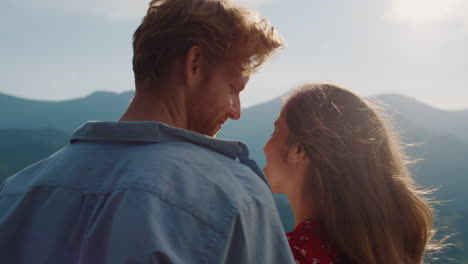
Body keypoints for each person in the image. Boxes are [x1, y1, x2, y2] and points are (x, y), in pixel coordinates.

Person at [0, 0, 294, 263]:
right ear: (195, 63)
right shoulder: (237, 197)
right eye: (233, 89)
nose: (236, 111)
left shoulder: (17, 191)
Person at [263, 83, 437, 264]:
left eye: (275, 132)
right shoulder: (379, 246)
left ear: (299, 150)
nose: (265, 146)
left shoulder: (288, 255)